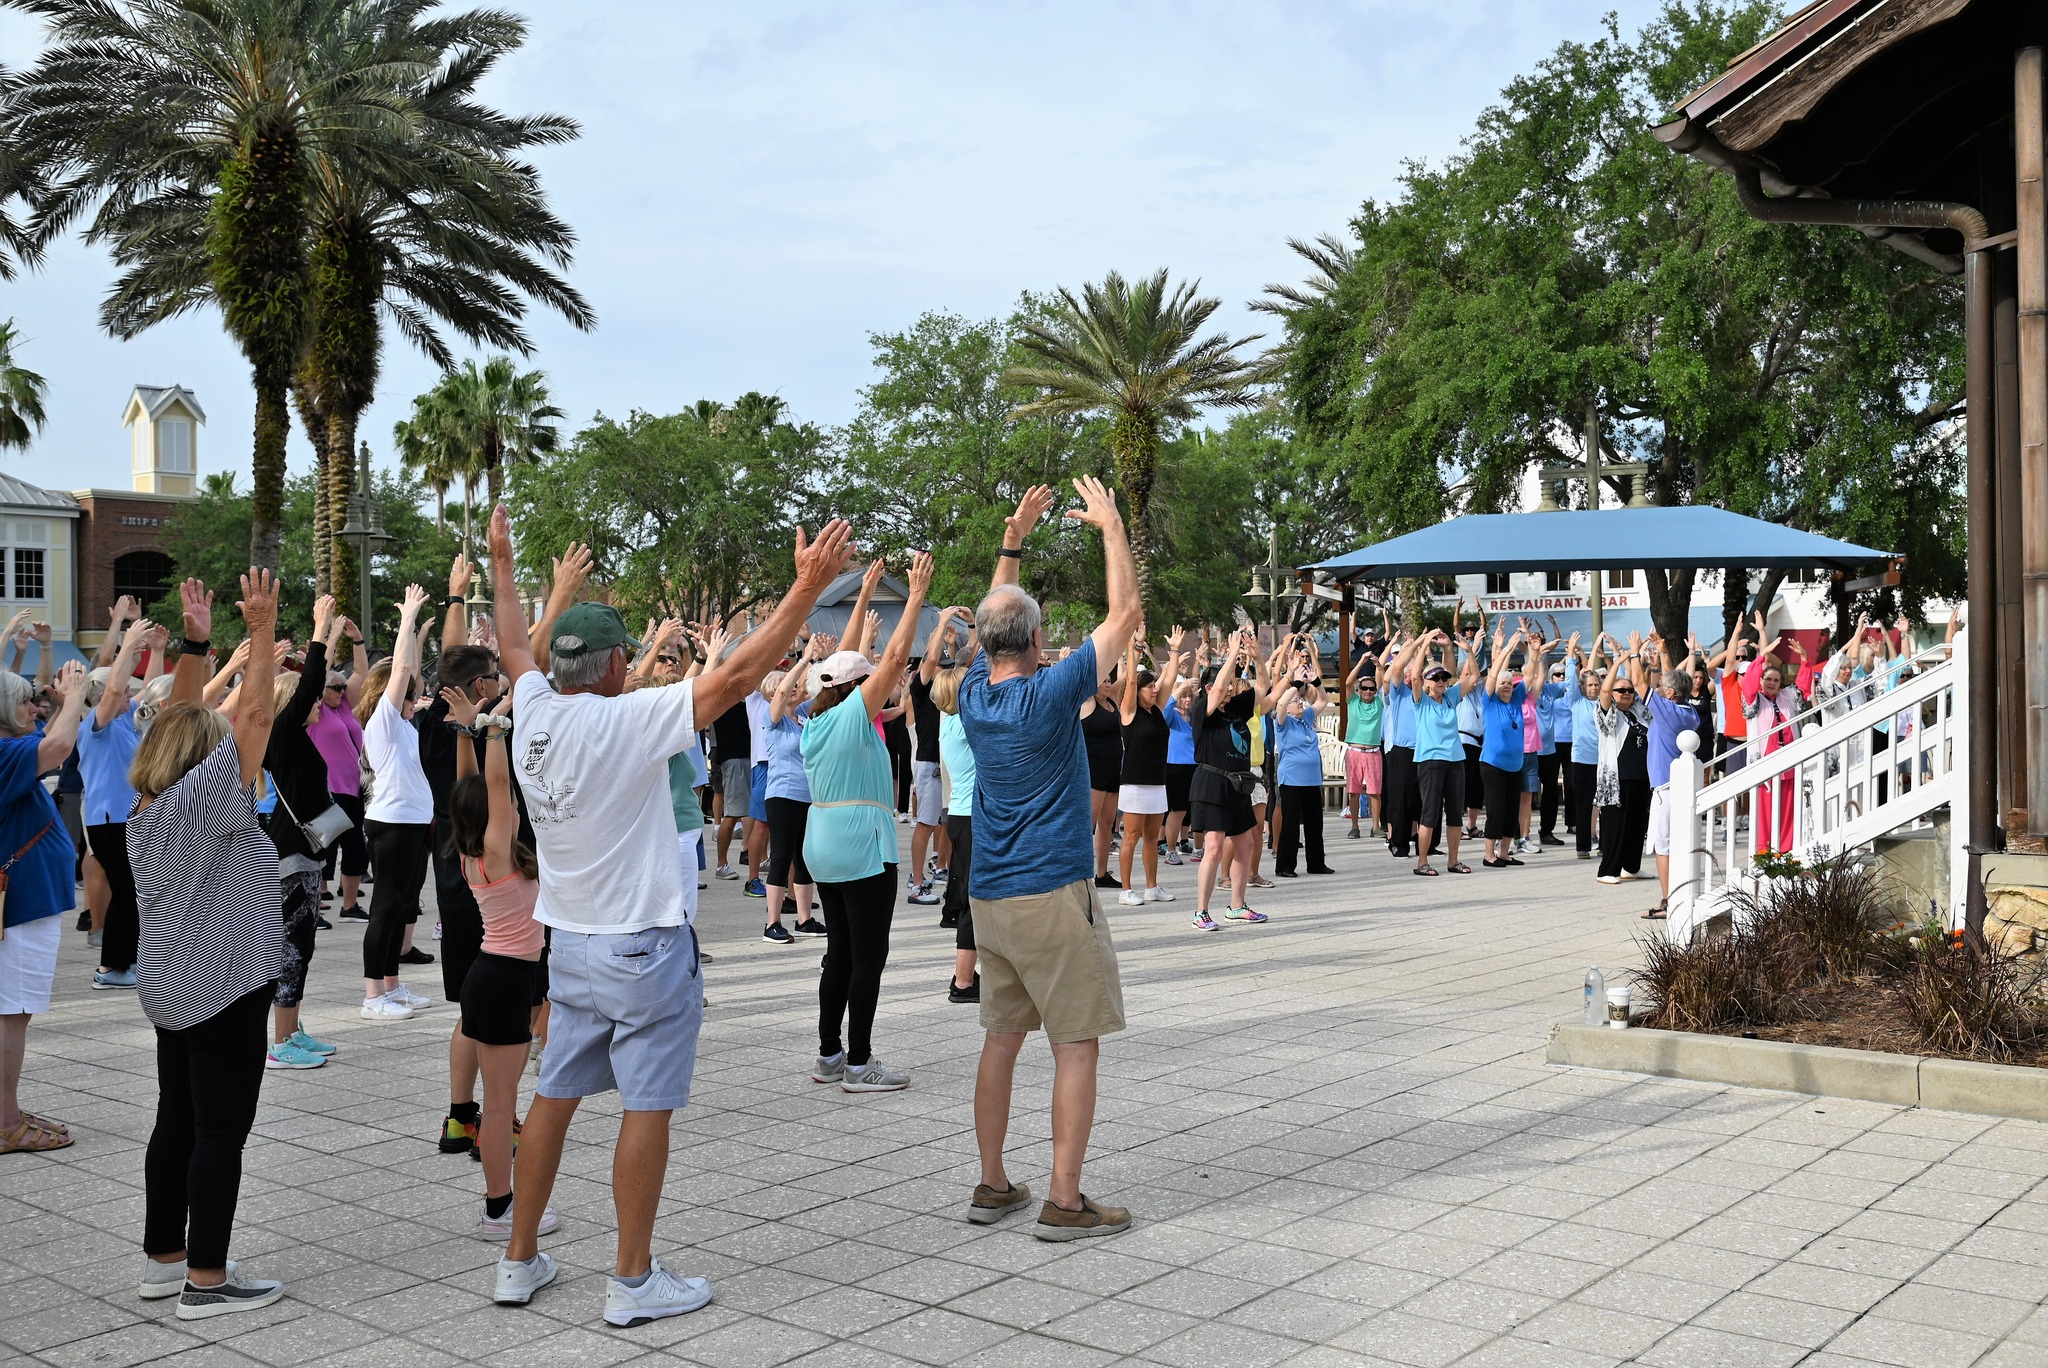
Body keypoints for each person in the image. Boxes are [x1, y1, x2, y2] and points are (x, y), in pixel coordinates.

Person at [488, 504, 852, 1324]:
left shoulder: (535, 710)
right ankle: (632, 1279)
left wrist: (506, 566)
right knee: (645, 1104)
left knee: (555, 1098)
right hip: (641, 946)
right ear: (618, 661)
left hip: (571, 941)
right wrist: (806, 589)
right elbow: (732, 677)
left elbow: (517, 645)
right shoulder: (623, 717)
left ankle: (519, 1261)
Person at [958, 478, 1139, 1240]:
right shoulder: (1049, 690)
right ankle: (1065, 1201)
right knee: (1075, 1043)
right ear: (1037, 643)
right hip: (1053, 895)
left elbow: (989, 626)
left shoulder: (974, 694)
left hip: (990, 898)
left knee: (1001, 1040)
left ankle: (994, 1183)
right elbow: (1124, 614)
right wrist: (1109, 527)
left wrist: (1013, 543)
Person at [130, 570, 288, 1320]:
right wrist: (259, 632)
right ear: (206, 760)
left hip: (171, 985)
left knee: (177, 1121)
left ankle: (164, 1258)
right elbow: (253, 712)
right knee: (220, 1133)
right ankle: (207, 1280)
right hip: (219, 986)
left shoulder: (148, 805)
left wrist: (196, 643)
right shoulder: (204, 800)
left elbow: (180, 719)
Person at [803, 552, 933, 1091]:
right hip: (860, 844)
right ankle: (859, 1063)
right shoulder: (856, 714)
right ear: (860, 688)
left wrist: (860, 597)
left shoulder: (815, 720)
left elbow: (847, 658)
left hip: (823, 843)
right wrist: (918, 596)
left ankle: (830, 1054)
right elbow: (895, 652)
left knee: (839, 952)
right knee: (868, 957)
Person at [440, 682, 559, 1242]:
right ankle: (499, 1210)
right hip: (505, 979)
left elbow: (469, 787)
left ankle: (499, 1204)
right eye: (506, 802)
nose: (511, 802)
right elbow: (490, 783)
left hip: (492, 976)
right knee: (503, 1103)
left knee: (500, 1100)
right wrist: (492, 728)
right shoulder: (496, 850)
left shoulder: (470, 851)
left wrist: (469, 728)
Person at [0, 659, 86, 1154]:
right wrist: (73, 694)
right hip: (20, 906)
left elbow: (46, 745)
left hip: (22, 903)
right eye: (25, 702)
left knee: (14, 1009)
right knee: (11, 1009)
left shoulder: (11, 750)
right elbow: (57, 748)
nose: (33, 708)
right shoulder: (5, 753)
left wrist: (59, 706)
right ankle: (5, 1121)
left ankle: (5, 1107)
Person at [261, 594, 347, 1070]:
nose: (318, 701)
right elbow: (312, 678)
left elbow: (317, 679)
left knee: (305, 940)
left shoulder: (295, 739)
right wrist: (319, 627)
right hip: (291, 853)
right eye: (310, 697)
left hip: (306, 852)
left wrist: (330, 638)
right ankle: (280, 1043)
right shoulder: (284, 734)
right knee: (292, 944)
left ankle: (293, 1028)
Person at [357, 587, 437, 1022]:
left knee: (403, 902)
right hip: (391, 825)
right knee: (386, 907)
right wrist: (407, 619)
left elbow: (412, 669)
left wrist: (418, 634)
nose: (416, 694)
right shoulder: (384, 721)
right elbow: (403, 666)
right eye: (411, 691)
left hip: (410, 824)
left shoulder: (406, 724)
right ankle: (373, 996)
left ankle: (391, 985)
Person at [79, 616, 154, 990]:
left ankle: (124, 961)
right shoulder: (97, 724)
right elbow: (111, 692)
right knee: (127, 890)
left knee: (132, 889)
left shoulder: (126, 722)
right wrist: (127, 645)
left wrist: (150, 651)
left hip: (127, 819)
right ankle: (111, 968)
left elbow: (150, 691)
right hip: (108, 820)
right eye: (127, 692)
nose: (131, 696)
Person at [1187, 629, 1273, 929]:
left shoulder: (1236, 708)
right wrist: (1229, 655)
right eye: (1222, 686)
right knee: (1213, 846)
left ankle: (1237, 906)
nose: (1228, 689)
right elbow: (1218, 686)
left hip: (1238, 784)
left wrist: (1257, 657)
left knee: (1246, 844)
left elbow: (1263, 686)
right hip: (1210, 783)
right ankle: (1201, 911)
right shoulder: (1202, 711)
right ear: (1209, 687)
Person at [762, 638, 825, 944]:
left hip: (806, 797)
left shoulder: (800, 716)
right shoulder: (772, 720)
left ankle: (804, 918)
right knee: (781, 857)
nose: (796, 689)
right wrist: (803, 659)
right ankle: (771, 923)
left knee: (804, 858)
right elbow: (786, 689)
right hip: (782, 795)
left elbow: (823, 693)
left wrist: (818, 660)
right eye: (787, 687)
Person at [1115, 630, 1181, 903]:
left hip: (1157, 781)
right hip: (1134, 783)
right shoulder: (1129, 711)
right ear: (1138, 691)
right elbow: (1130, 681)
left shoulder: (1157, 709)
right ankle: (1125, 890)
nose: (1155, 689)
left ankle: (1152, 887)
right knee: (1131, 836)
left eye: (1155, 685)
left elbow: (1171, 678)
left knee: (1153, 836)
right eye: (1149, 686)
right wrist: (1133, 648)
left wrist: (1175, 651)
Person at [1640, 636, 1703, 919]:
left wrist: (1634, 656)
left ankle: (1668, 901)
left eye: (1662, 688)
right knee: (1681, 844)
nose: (1658, 688)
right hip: (1682, 788)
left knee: (1662, 847)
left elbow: (1641, 685)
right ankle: (1681, 894)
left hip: (1665, 789)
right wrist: (1664, 652)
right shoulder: (1689, 712)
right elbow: (1671, 682)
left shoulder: (1667, 711)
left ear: (1668, 695)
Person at [1407, 630, 1478, 876]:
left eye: (1443, 677)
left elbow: (1473, 677)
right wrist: (1425, 642)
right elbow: (1415, 676)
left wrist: (1466, 650)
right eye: (1435, 677)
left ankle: (1453, 860)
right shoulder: (1421, 701)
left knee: (1455, 813)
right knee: (1430, 812)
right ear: (1427, 682)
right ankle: (1422, 862)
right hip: (1430, 761)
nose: (1440, 681)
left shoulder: (1449, 698)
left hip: (1455, 760)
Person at [932, 648, 980, 1003]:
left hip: (963, 814)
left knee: (973, 895)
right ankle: (963, 981)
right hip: (973, 815)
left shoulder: (948, 721)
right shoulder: (964, 723)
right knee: (974, 899)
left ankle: (970, 975)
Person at [1742, 612, 1809, 857]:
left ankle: (1786, 851)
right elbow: (1748, 682)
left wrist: (1804, 659)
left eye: (1776, 679)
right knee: (1765, 810)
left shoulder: (1787, 696)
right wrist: (1761, 656)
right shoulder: (1754, 698)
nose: (1772, 682)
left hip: (1789, 761)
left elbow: (1802, 687)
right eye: (1768, 679)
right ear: (1762, 681)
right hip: (1765, 762)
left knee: (1788, 809)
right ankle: (1765, 852)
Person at [1593, 636, 1651, 885]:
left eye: (1628, 690)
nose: (1626, 693)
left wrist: (1639, 655)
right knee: (1616, 825)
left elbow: (1643, 686)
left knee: (1638, 825)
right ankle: (1608, 870)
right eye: (1621, 690)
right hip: (1616, 778)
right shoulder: (1607, 712)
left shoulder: (1638, 711)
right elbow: (1605, 690)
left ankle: (1631, 866)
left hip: (1641, 775)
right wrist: (1618, 661)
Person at [1271, 648, 1332, 879]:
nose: (1299, 702)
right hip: (1292, 779)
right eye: (1295, 701)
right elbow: (1279, 704)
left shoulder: (1306, 718)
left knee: (1315, 823)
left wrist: (1315, 681)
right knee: (1291, 824)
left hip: (1312, 778)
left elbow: (1323, 699)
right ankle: (1285, 866)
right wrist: (1295, 685)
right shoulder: (1283, 721)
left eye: (1300, 700)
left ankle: (1316, 863)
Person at [1478, 628, 1529, 870]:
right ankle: (1489, 855)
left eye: (1510, 683)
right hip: (1493, 765)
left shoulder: (1517, 699)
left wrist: (1533, 651)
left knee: (1511, 812)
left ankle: (1505, 852)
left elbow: (1531, 675)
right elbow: (1492, 676)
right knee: (1496, 810)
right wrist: (1506, 648)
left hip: (1515, 765)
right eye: (1503, 683)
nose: (1507, 686)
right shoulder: (1489, 700)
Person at [1079, 671, 1123, 890]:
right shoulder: (1088, 702)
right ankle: (1081, 874)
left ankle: (1102, 874)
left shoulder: (1112, 701)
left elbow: (1127, 679)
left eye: (1109, 681)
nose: (1108, 684)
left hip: (1114, 769)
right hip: (1094, 770)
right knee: (1089, 824)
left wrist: (1133, 650)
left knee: (1107, 823)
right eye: (1103, 681)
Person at [1565, 639, 1605, 860]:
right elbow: (1571, 679)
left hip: (1604, 761)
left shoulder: (1605, 703)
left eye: (1596, 685)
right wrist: (1571, 653)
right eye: (1589, 685)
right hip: (1581, 760)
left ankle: (1604, 844)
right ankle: (1583, 847)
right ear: (1583, 688)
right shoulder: (1576, 702)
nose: (1593, 688)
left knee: (1606, 805)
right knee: (1583, 805)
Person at [1339, 648, 1384, 839]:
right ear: (1359, 690)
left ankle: (1375, 826)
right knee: (1354, 790)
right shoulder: (1353, 701)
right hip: (1354, 750)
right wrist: (1360, 662)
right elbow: (1348, 682)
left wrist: (1378, 665)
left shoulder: (1379, 702)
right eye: (1364, 688)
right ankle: (1355, 826)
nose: (1367, 691)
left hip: (1373, 751)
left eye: (1371, 689)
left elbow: (1383, 681)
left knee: (1375, 791)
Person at [1161, 675, 1197, 865]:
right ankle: (1170, 849)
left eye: (1189, 696)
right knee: (1176, 811)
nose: (1187, 699)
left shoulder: (1193, 716)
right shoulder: (1172, 715)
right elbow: (1165, 708)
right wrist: (1180, 686)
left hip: (1194, 766)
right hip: (1175, 767)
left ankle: (1187, 843)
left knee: (1188, 810)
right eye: (1184, 696)